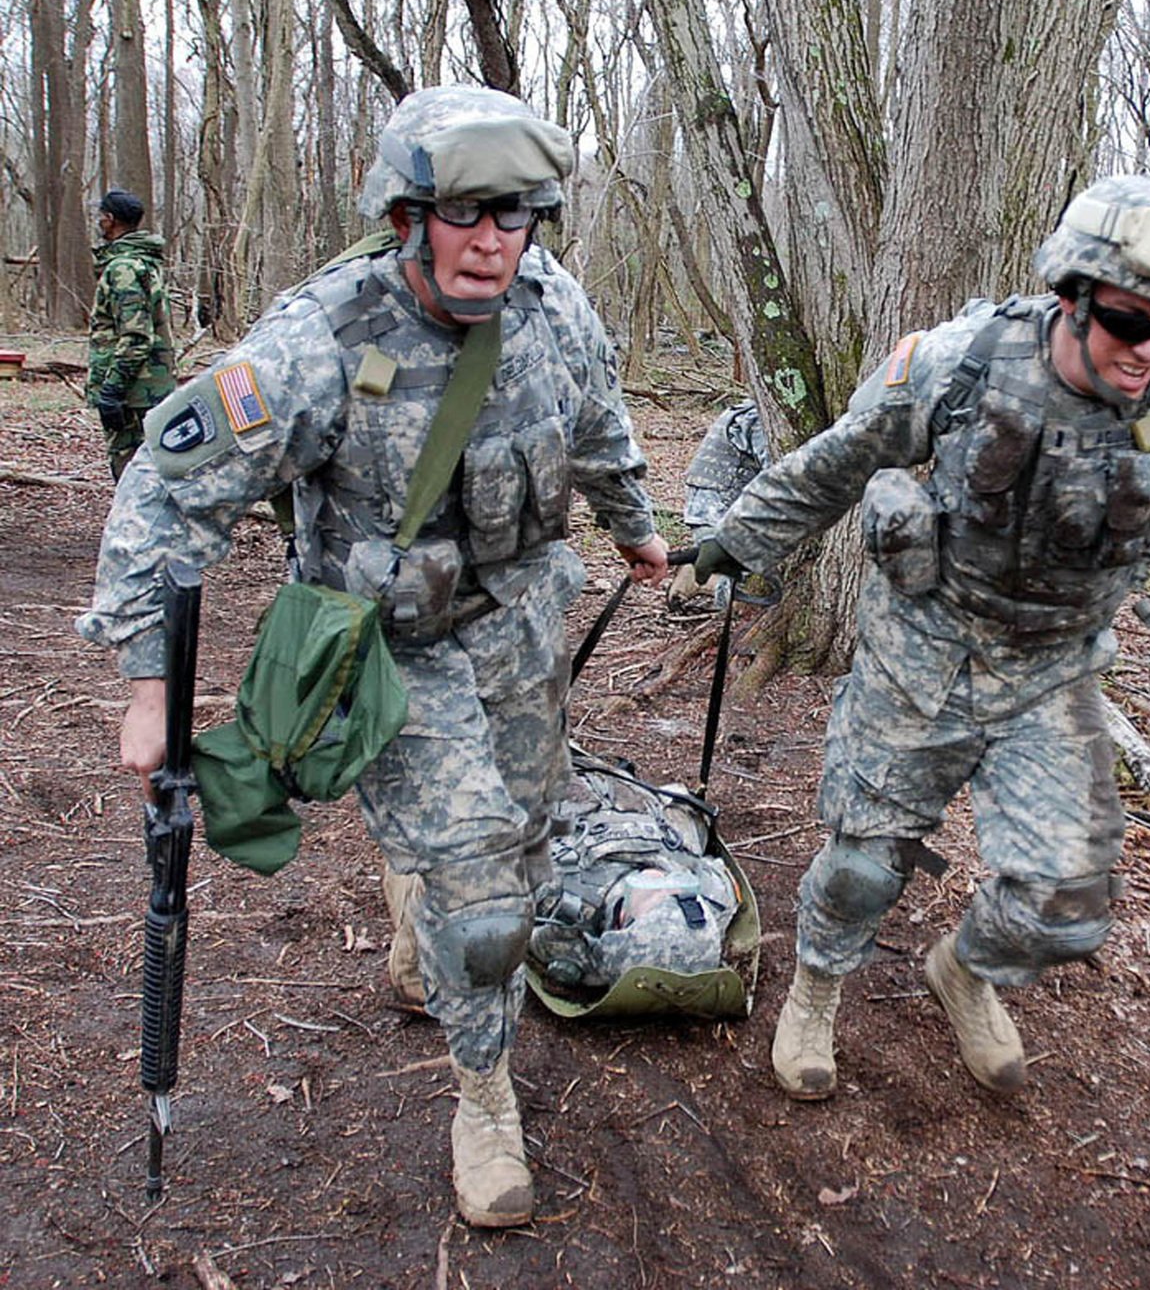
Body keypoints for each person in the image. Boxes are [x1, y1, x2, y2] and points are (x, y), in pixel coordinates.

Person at [693, 174, 1150, 1102]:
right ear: (1073, 298)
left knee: (1066, 900)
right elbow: (836, 458)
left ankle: (964, 971)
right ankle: (816, 989)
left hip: (1049, 676)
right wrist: (735, 536)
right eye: (1130, 322)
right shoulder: (962, 362)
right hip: (921, 656)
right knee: (863, 865)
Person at [76, 86, 669, 1227]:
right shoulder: (323, 339)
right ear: (406, 213)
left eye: (516, 214)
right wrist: (147, 683)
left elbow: (599, 422)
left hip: (523, 626)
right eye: (464, 213)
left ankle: (425, 933)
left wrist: (634, 523)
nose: (492, 240)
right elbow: (165, 489)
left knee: (533, 835)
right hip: (395, 656)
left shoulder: (554, 305)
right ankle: (483, 1095)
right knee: (486, 897)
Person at [88, 189, 175, 479]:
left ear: (110, 220)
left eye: (101, 217)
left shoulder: (125, 267)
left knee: (133, 477)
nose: (99, 222)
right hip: (145, 389)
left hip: (134, 394)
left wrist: (111, 389)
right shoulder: (142, 261)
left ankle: (135, 525)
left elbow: (136, 336)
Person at [666, 398, 768, 609]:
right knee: (746, 590)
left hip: (711, 509)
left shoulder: (754, 409)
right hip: (719, 513)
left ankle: (699, 574)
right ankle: (704, 580)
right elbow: (780, 476)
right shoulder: (761, 418)